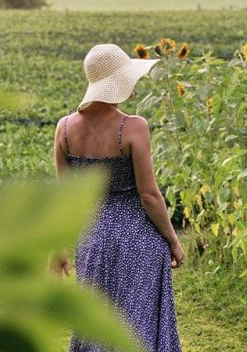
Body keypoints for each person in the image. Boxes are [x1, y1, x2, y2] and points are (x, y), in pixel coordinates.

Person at [53, 43, 184, 352]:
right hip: (139, 239)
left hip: (93, 240)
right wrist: (173, 241)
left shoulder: (65, 130)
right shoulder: (133, 128)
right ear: (120, 83)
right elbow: (150, 195)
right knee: (138, 328)